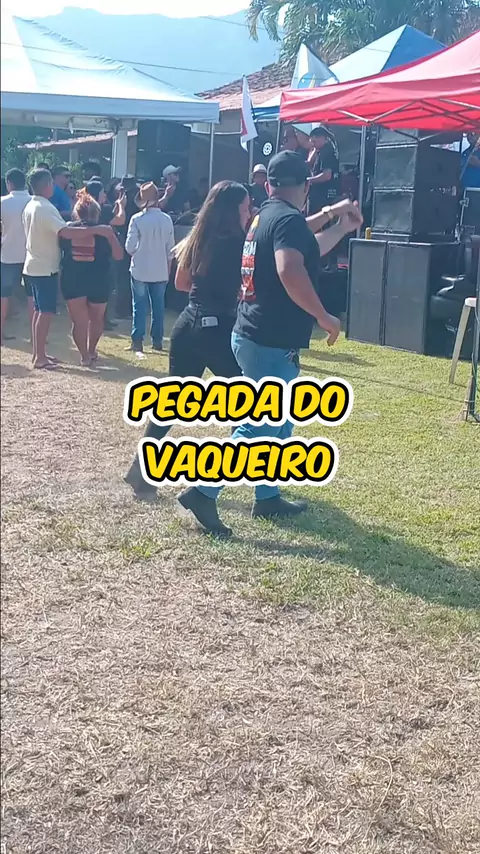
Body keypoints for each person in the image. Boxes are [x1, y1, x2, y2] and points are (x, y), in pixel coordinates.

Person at [176, 151, 362, 537]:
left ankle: (268, 495)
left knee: (280, 422)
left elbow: (305, 248)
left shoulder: (266, 216)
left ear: (269, 184)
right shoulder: (286, 220)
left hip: (255, 333)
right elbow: (290, 267)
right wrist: (323, 316)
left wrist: (340, 226)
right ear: (306, 185)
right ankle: (203, 492)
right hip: (269, 338)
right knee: (258, 426)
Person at [124, 180, 250, 498]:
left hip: (188, 324)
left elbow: (181, 283)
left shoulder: (198, 237)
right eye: (246, 208)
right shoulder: (239, 243)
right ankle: (218, 482)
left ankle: (141, 471)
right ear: (233, 210)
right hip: (218, 329)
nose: (249, 213)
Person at [22, 168, 107, 370]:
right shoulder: (45, 207)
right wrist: (97, 230)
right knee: (45, 312)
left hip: (33, 264)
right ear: (48, 185)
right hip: (44, 267)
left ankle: (38, 353)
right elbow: (66, 232)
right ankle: (39, 357)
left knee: (38, 311)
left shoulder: (31, 205)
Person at [60, 191, 123, 366]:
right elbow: (119, 255)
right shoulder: (105, 232)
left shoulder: (66, 230)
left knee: (78, 321)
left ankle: (84, 356)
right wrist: (109, 234)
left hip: (72, 279)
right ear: (97, 213)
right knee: (97, 319)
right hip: (99, 280)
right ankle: (91, 350)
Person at [125, 181, 175, 354]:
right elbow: (171, 249)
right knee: (158, 307)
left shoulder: (136, 219)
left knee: (139, 306)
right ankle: (157, 341)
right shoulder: (167, 219)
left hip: (140, 268)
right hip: (160, 268)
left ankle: (137, 341)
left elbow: (129, 247)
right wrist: (168, 267)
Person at [1, 168, 31, 342]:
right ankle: (36, 336)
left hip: (7, 254)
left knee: (3, 294)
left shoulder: (3, 202)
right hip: (31, 255)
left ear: (9, 183)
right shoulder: (34, 202)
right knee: (32, 296)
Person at [307, 126, 340, 215]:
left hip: (321, 195)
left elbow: (326, 175)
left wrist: (308, 180)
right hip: (330, 193)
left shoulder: (326, 151)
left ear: (322, 138)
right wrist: (315, 149)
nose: (313, 145)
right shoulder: (330, 148)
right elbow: (309, 163)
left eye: (314, 141)